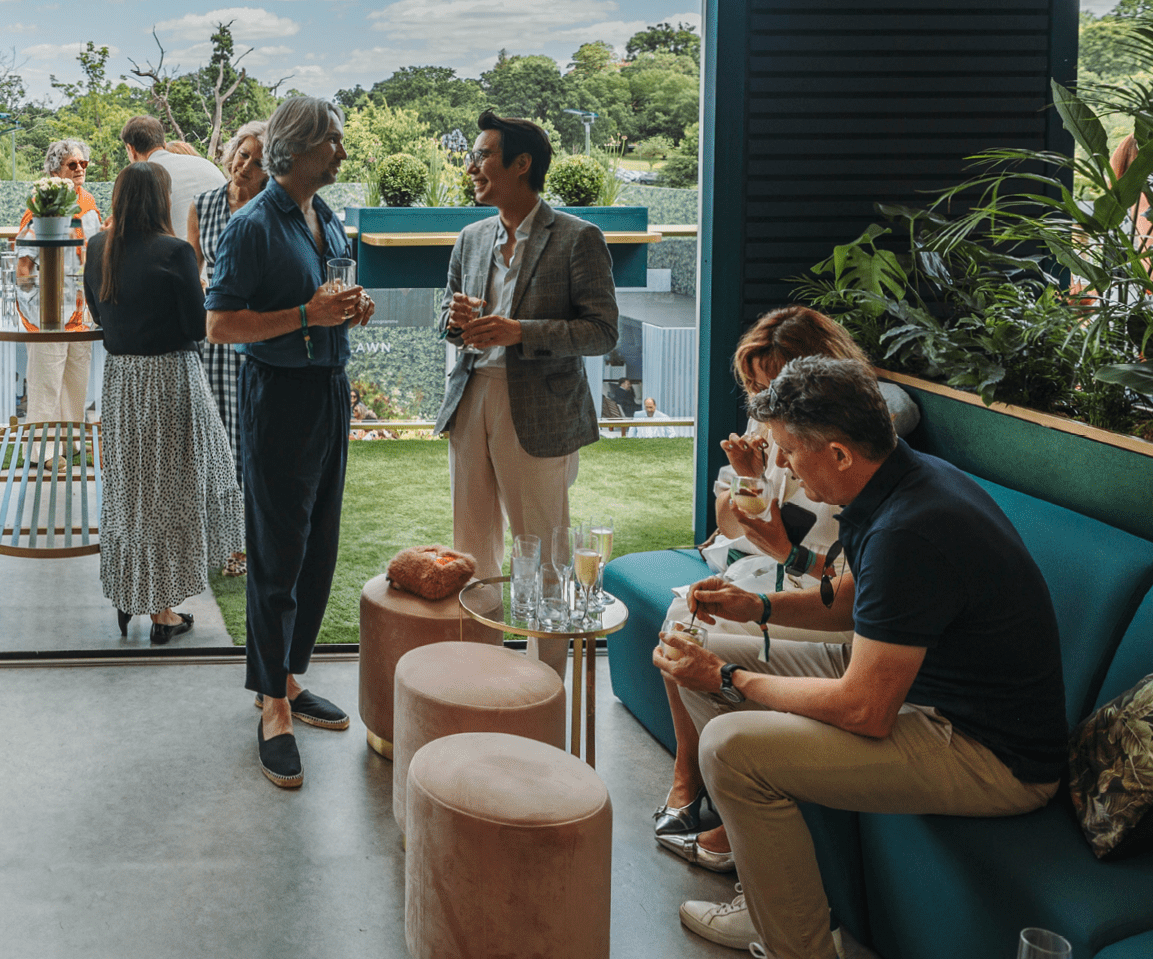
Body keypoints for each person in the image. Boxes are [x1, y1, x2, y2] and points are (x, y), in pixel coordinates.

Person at [654, 357, 1068, 959]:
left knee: (729, 747)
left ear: (841, 454)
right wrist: (756, 608)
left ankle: (799, 945)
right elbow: (850, 603)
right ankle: (775, 897)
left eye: (789, 453)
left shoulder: (912, 530)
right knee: (702, 650)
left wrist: (728, 676)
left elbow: (865, 709)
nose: (783, 467)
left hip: (991, 754)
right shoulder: (902, 480)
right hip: (920, 690)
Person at [654, 306, 883, 873]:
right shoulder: (767, 428)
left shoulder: (846, 447)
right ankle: (694, 777)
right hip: (768, 569)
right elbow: (732, 524)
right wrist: (751, 478)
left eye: (772, 384)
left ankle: (732, 807)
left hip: (813, 582)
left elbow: (842, 580)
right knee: (684, 621)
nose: (760, 402)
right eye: (754, 387)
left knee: (694, 628)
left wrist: (783, 550)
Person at [204, 95, 371, 789]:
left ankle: (291, 678)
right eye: (331, 141)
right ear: (297, 149)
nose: (340, 151)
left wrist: (349, 310)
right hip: (279, 400)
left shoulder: (323, 214)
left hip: (329, 392)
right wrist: (306, 314)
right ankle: (271, 701)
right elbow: (220, 326)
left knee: (317, 545)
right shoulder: (249, 226)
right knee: (276, 550)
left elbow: (332, 295)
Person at [434, 112, 619, 669]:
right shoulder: (470, 238)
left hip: (539, 412)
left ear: (522, 164)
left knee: (543, 548)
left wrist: (521, 333)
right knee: (471, 544)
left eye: (484, 155)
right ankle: (481, 672)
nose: (473, 168)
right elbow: (445, 313)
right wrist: (454, 317)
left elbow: (602, 330)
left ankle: (546, 681)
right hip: (470, 401)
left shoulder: (578, 238)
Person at [86, 163, 242, 644]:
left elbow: (97, 311)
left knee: (131, 494)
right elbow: (198, 327)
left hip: (121, 383)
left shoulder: (97, 247)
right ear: (160, 199)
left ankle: (130, 595)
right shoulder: (175, 251)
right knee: (173, 494)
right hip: (170, 379)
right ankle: (162, 612)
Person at [188, 121, 268, 471]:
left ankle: (254, 517)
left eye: (258, 162)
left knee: (256, 433)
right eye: (243, 154)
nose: (245, 166)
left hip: (259, 333)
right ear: (232, 152)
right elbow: (191, 273)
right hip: (214, 337)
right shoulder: (202, 206)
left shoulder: (274, 211)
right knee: (214, 434)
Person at [16, 138, 102, 442]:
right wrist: (35, 311)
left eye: (83, 164)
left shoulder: (89, 202)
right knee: (45, 385)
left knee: (76, 383)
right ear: (56, 171)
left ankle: (71, 443)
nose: (80, 169)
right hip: (49, 316)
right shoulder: (41, 207)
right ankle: (42, 450)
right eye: (72, 164)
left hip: (83, 313)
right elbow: (23, 266)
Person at [122, 114, 227, 242]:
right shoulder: (207, 165)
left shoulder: (140, 178)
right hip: (225, 252)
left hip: (179, 257)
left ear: (131, 149)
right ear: (164, 145)